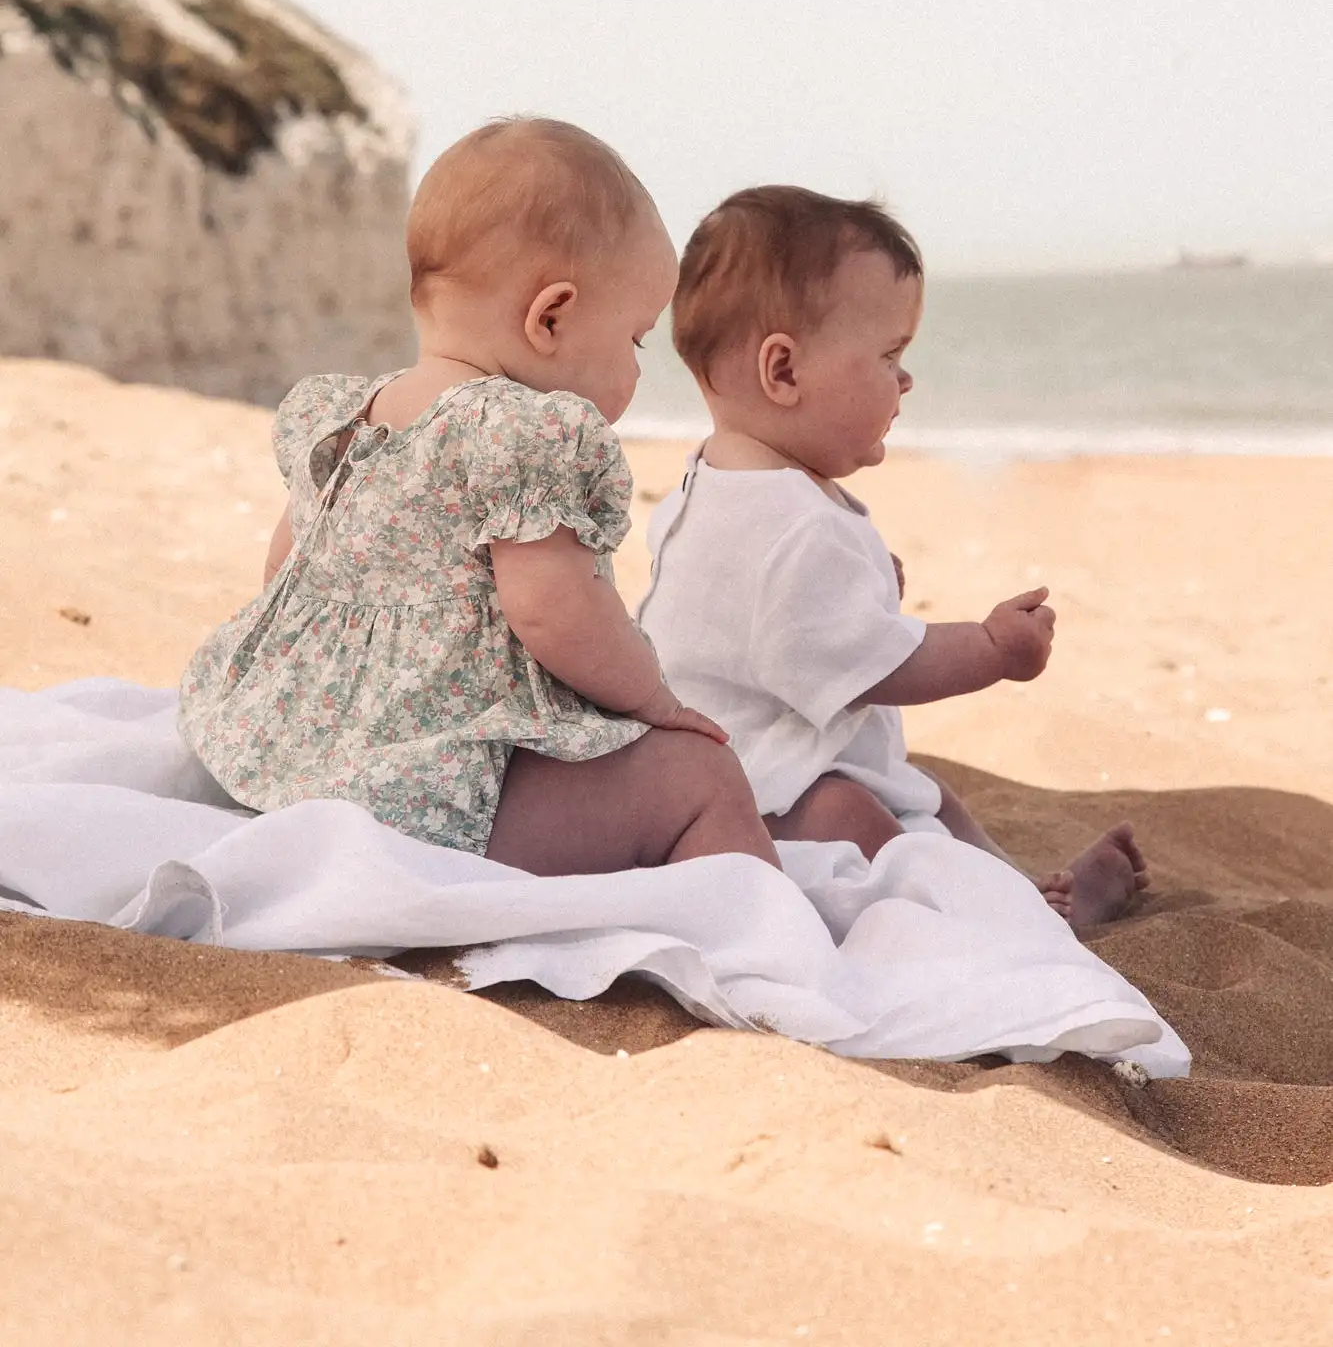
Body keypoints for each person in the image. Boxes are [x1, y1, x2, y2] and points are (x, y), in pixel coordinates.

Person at [178, 118, 780, 877]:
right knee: (704, 779)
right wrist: (653, 701)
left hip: (287, 755)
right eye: (634, 337)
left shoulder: (349, 417)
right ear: (550, 317)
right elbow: (553, 612)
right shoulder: (523, 434)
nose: (636, 365)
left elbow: (287, 571)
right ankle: (759, 931)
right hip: (432, 799)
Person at [637, 184, 1148, 929]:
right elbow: (884, 666)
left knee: (930, 796)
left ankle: (1016, 893)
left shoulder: (707, 482)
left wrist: (863, 589)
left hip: (702, 774)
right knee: (860, 813)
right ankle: (1022, 922)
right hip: (769, 792)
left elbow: (754, 620)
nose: (905, 379)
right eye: (888, 355)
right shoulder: (796, 528)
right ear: (782, 372)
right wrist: (990, 649)